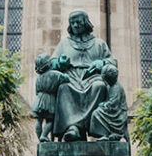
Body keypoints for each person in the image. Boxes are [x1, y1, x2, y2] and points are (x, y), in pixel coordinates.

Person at [51, 10, 116, 141]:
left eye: (78, 22)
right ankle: (72, 127)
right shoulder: (64, 43)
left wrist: (101, 62)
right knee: (64, 88)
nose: (75, 25)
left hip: (93, 77)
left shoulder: (99, 43)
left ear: (85, 23)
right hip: (71, 76)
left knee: (99, 86)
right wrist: (59, 63)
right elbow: (52, 62)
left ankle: (97, 129)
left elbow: (112, 61)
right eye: (72, 23)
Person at [31, 53, 70, 141]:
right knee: (50, 120)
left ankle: (39, 138)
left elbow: (36, 91)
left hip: (39, 100)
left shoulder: (39, 78)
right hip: (49, 99)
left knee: (38, 120)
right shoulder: (54, 74)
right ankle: (44, 135)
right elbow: (66, 78)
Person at [89, 63, 129, 141]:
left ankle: (106, 134)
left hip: (117, 114)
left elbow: (113, 104)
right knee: (97, 112)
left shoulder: (116, 87)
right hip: (113, 112)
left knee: (96, 113)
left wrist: (103, 105)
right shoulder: (110, 86)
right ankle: (105, 134)